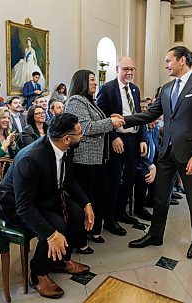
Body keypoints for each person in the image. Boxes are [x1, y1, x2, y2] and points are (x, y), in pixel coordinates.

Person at [123, 46, 192, 260]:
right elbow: (149, 115)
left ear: (182, 60)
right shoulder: (166, 89)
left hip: (189, 153)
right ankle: (155, 235)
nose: (166, 65)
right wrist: (123, 120)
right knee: (160, 196)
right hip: (167, 152)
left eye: (168, 61)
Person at [0, 113, 93, 299]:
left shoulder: (65, 147)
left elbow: (70, 180)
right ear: (67, 138)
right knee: (56, 225)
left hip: (43, 197)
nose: (82, 136)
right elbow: (23, 207)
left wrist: (86, 203)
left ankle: (60, 260)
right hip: (16, 208)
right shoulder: (31, 158)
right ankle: (38, 273)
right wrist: (51, 234)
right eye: (80, 133)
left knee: (76, 213)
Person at [64, 69, 124, 247]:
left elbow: (97, 121)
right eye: (91, 80)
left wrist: (110, 118)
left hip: (98, 158)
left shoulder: (90, 101)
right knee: (86, 199)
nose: (95, 83)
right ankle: (81, 240)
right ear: (81, 81)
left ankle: (94, 230)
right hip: (84, 159)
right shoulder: (75, 101)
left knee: (100, 195)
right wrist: (110, 123)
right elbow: (86, 127)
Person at [97, 56, 147, 230]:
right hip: (117, 139)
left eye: (132, 69)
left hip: (133, 139)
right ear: (117, 69)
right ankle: (109, 219)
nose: (129, 72)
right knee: (114, 180)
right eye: (125, 69)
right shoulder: (107, 89)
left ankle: (121, 212)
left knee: (129, 178)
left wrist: (142, 138)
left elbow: (140, 115)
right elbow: (101, 117)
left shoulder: (135, 89)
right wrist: (113, 137)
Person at [133, 100, 159, 221]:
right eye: (156, 120)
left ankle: (151, 200)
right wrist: (151, 166)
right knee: (145, 175)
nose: (157, 122)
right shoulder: (141, 131)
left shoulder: (154, 129)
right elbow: (141, 153)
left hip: (149, 163)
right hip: (139, 163)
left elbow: (156, 148)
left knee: (160, 172)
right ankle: (139, 208)